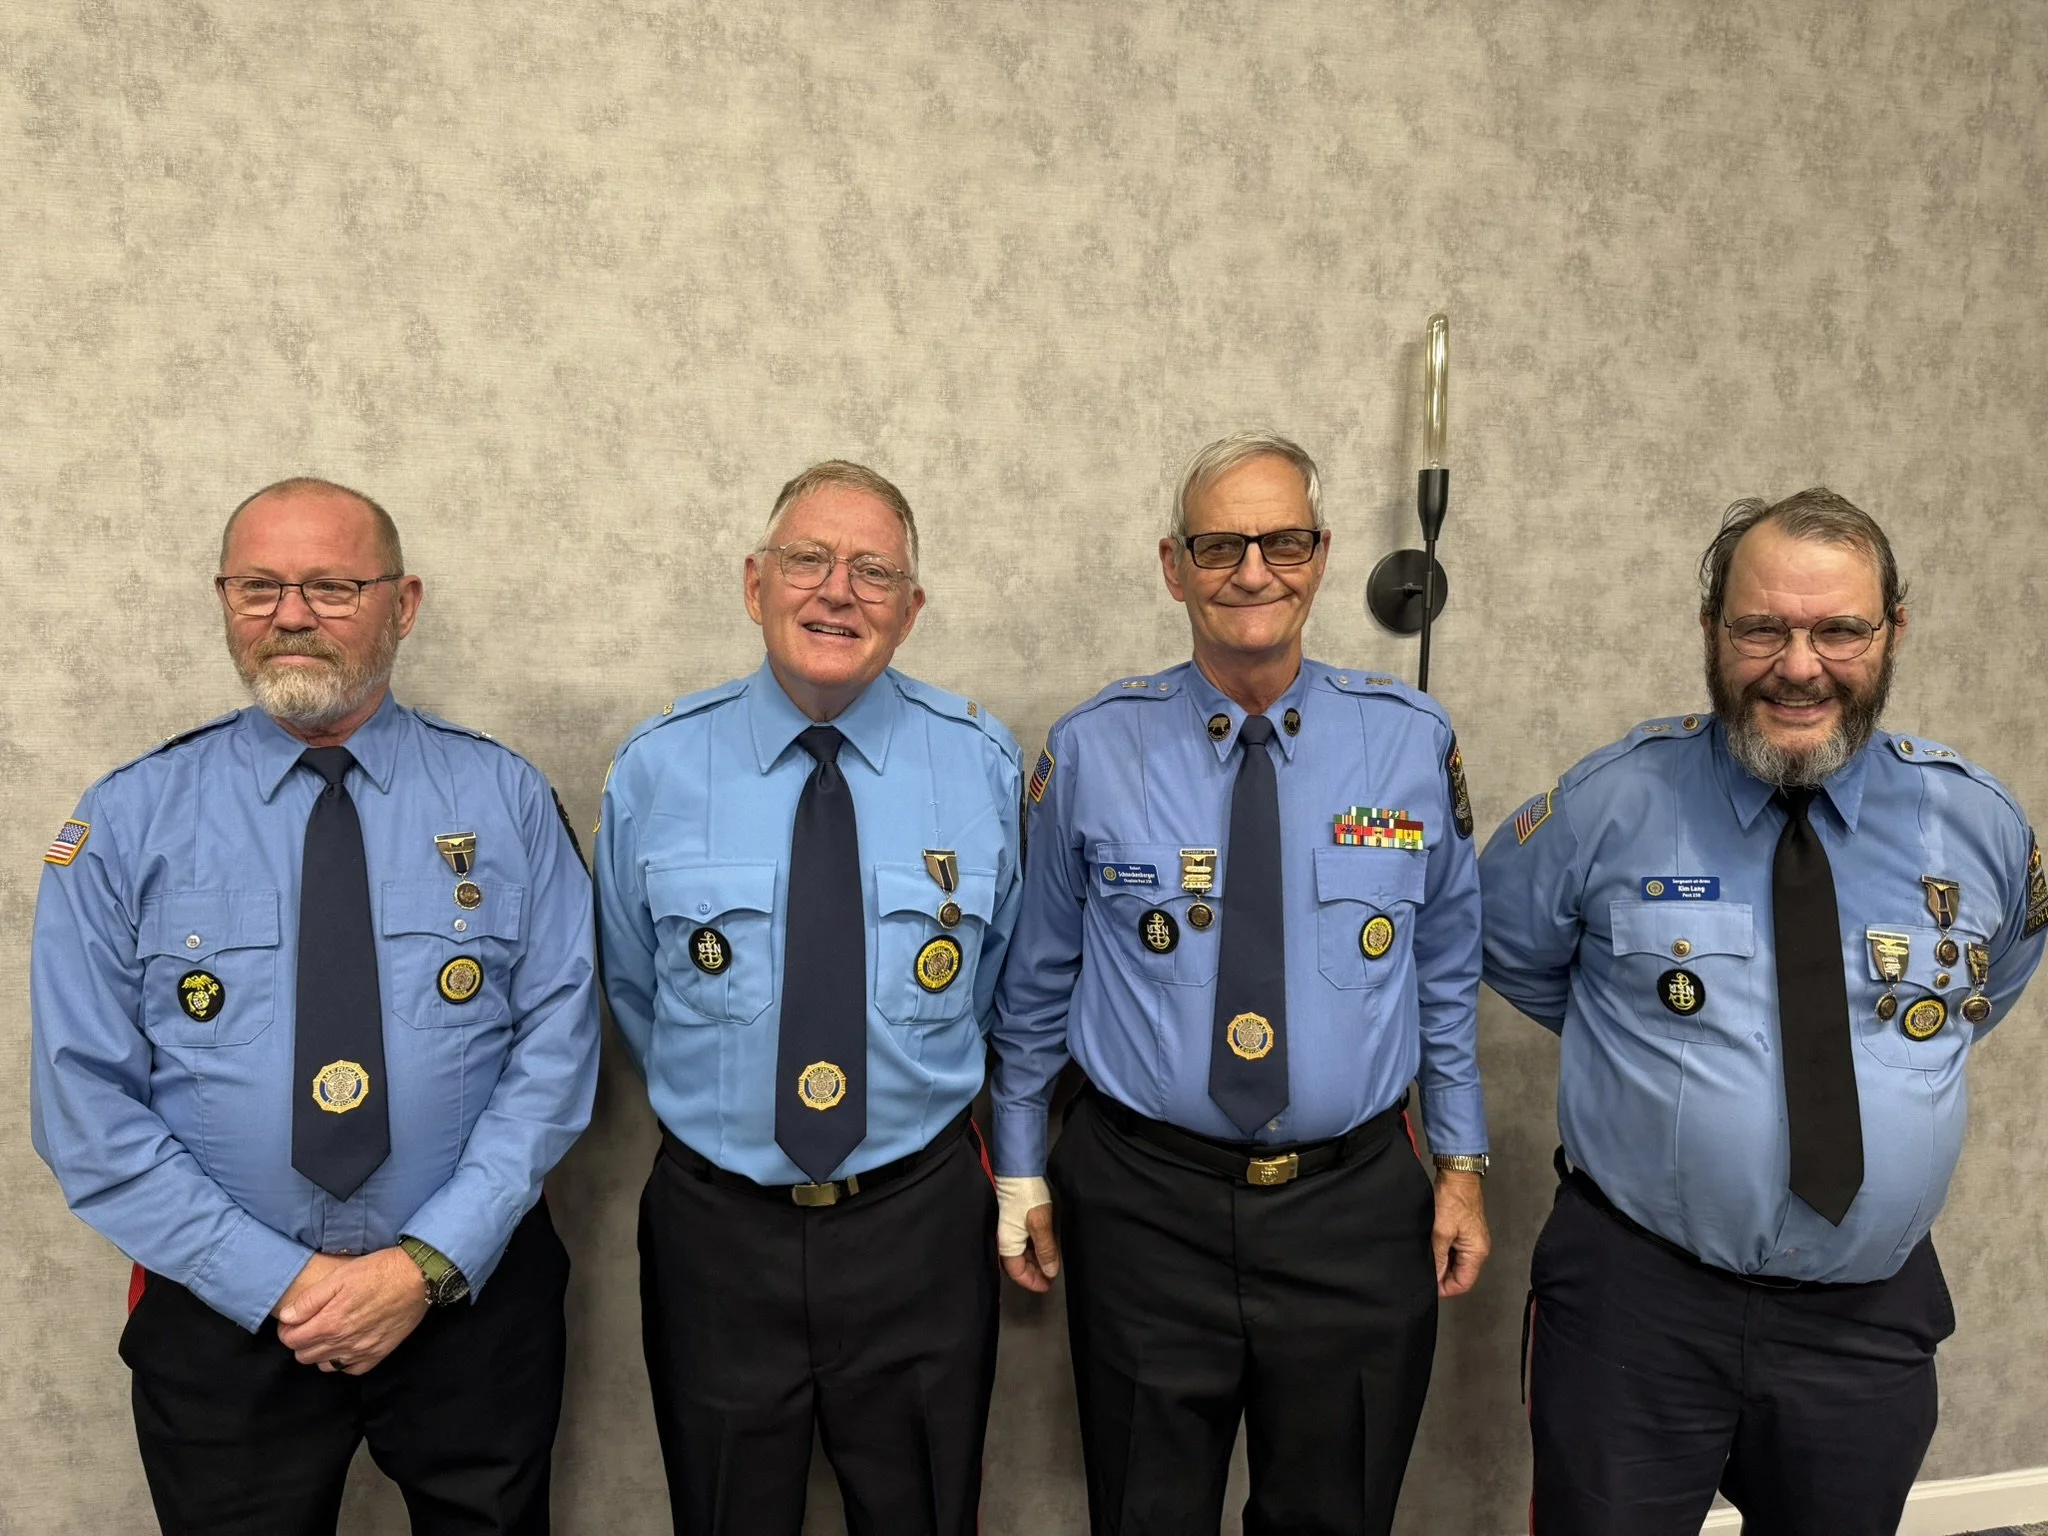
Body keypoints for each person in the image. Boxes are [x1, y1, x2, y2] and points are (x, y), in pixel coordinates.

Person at [30, 477, 600, 1534]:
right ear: (224, 599)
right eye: (259, 587)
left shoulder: (505, 800)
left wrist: (424, 1265)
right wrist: (275, 1281)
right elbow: (84, 1104)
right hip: (223, 1312)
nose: (290, 615)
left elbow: (558, 1051)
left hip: (468, 1298)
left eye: (331, 587)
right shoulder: (127, 819)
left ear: (403, 604)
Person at [1481, 488, 2047, 1536]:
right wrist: (1651, 1054)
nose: (1798, 666)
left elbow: (1983, 989)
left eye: (1838, 630)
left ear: (1892, 632)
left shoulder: (1977, 822)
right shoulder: (1609, 804)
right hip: (1636, 1305)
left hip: (1864, 1316)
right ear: (1711, 630)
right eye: (1761, 629)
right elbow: (1508, 948)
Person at [991, 431, 1492, 1536]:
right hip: (1143, 1207)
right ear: (1173, 567)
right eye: (1219, 545)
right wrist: (1019, 1167)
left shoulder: (1408, 743)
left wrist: (1459, 1163)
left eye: (1282, 542)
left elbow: (1447, 971)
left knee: (1335, 1512)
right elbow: (1035, 981)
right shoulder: (1091, 750)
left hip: (1351, 1210)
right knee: (1146, 1511)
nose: (1252, 570)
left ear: (1322, 556)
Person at [596, 460, 1021, 1536]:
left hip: (918, 1225)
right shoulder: (656, 768)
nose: (838, 591)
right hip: (718, 1231)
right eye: (808, 560)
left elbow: (999, 984)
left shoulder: (978, 765)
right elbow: (635, 988)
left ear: (910, 610)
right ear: (755, 584)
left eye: (874, 571)